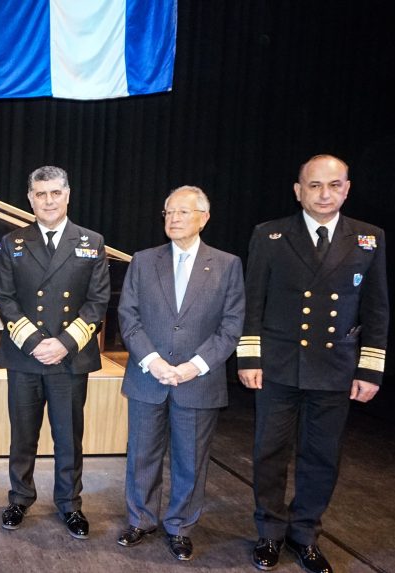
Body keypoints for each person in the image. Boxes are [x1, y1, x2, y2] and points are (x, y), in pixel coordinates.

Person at [238, 155, 388, 573]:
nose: (325, 194)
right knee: (269, 453)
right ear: (298, 190)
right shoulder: (270, 235)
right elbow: (253, 301)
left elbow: (376, 308)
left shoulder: (368, 238)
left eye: (334, 185)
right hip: (279, 365)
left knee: (321, 456)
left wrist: (369, 368)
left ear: (347, 189)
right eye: (315, 185)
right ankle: (270, 532)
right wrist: (249, 357)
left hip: (334, 367)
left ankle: (305, 534)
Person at [116, 186, 245, 561]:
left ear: (204, 218)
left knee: (191, 460)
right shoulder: (143, 261)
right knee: (142, 455)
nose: (173, 219)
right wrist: (153, 361)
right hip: (148, 376)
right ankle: (141, 520)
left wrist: (195, 366)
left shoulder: (227, 265)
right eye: (169, 212)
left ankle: (180, 527)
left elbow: (231, 326)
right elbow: (128, 317)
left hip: (198, 380)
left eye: (183, 212)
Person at [0, 166, 110, 539]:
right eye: (40, 194)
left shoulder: (91, 241)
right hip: (25, 357)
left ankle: (70, 504)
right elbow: (5, 299)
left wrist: (63, 344)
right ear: (30, 198)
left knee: (68, 437)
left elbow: (97, 302)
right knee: (22, 435)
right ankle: (19, 498)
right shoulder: (13, 242)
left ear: (67, 195)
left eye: (55, 193)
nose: (48, 201)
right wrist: (34, 343)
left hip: (69, 358)